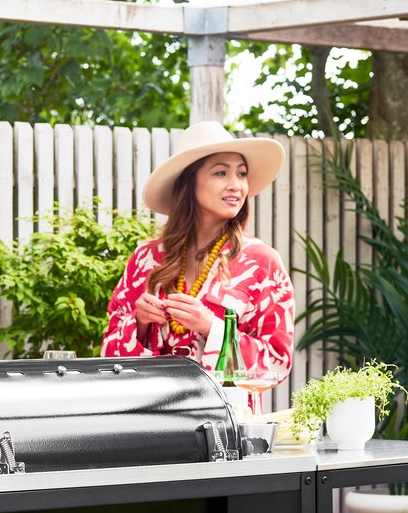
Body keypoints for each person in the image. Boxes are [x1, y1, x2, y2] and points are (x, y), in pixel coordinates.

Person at [101, 123, 295, 380]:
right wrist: (139, 323)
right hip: (153, 415)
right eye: (220, 173)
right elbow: (107, 354)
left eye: (241, 174)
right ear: (189, 182)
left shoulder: (261, 262)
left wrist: (211, 327)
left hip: (225, 416)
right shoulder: (145, 260)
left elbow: (277, 364)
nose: (236, 185)